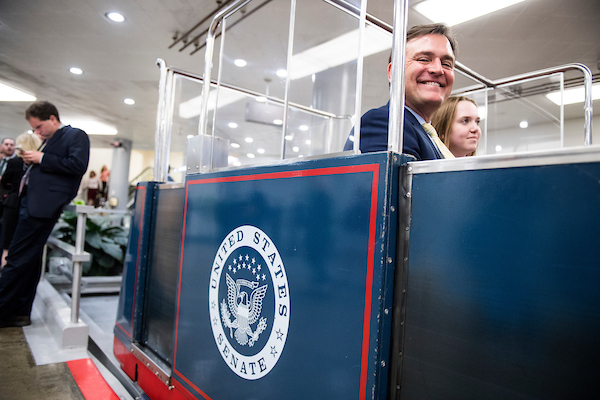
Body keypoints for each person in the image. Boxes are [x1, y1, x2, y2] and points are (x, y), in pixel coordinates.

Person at [0, 100, 89, 328]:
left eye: (39, 127)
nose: (37, 132)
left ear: (52, 118)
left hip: (42, 206)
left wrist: (41, 159)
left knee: (17, 259)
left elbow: (77, 165)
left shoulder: (75, 135)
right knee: (28, 261)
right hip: (32, 204)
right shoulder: (48, 142)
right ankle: (18, 311)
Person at [343, 23, 457, 160]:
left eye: (446, 64)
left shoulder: (426, 135)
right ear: (393, 72)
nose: (438, 69)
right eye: (424, 59)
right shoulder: (386, 124)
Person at [0, 133, 42, 268]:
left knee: (7, 246)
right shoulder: (39, 165)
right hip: (32, 205)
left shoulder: (14, 162)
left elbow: (5, 181)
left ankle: (5, 277)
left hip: (12, 204)